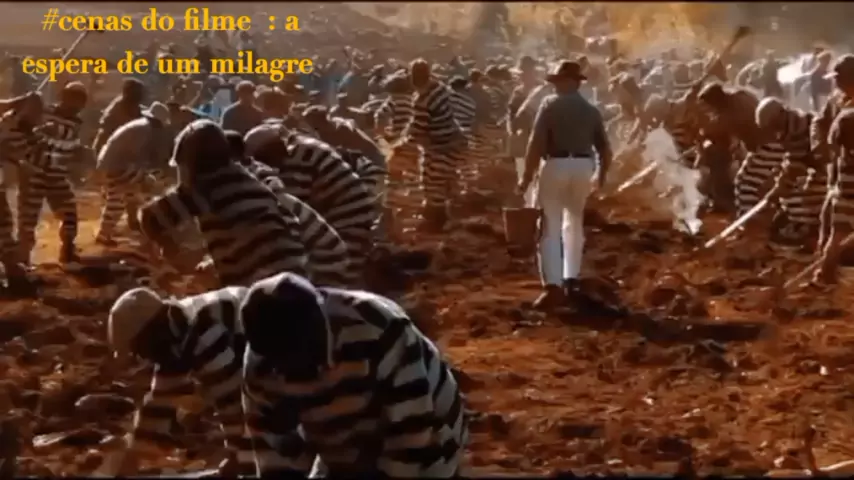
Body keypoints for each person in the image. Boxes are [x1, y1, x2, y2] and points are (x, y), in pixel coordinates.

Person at [518, 60, 612, 310]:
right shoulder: (591, 111)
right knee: (574, 222)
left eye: (558, 81)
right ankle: (571, 278)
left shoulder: (549, 105)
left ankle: (553, 286)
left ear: (566, 82)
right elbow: (605, 148)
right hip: (583, 166)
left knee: (550, 226)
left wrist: (526, 177)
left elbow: (536, 144)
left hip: (556, 164)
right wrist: (601, 176)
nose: (556, 86)